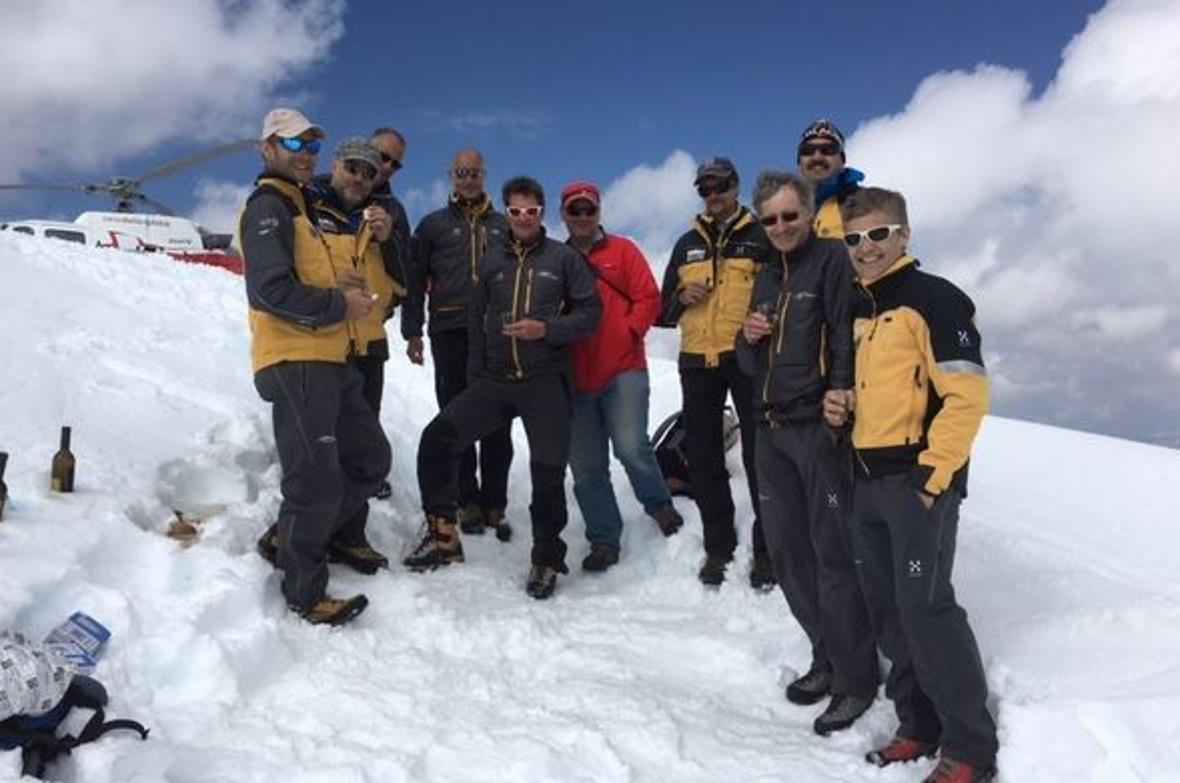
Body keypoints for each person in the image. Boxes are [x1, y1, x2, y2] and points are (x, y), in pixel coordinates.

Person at [830, 187, 997, 782]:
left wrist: (932, 478)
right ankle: (919, 726)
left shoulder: (935, 299)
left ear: (904, 234)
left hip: (916, 484)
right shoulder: (862, 306)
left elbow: (968, 395)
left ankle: (971, 750)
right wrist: (844, 408)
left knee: (926, 611)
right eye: (854, 239)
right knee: (889, 612)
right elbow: (885, 393)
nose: (866, 248)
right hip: (866, 480)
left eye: (878, 234)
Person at [405, 176, 602, 599]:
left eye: (531, 211)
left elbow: (590, 314)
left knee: (547, 474)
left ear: (542, 213)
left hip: (544, 380)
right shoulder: (492, 262)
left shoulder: (565, 259)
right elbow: (477, 323)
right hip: (495, 379)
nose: (524, 218)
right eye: (516, 211)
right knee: (436, 440)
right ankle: (443, 538)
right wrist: (476, 376)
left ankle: (547, 560)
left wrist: (545, 329)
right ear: (507, 214)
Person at [736, 171, 878, 735]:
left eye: (790, 215)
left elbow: (845, 332)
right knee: (790, 553)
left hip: (817, 428)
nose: (780, 226)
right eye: (770, 219)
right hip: (769, 430)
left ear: (807, 214)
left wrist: (840, 395)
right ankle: (826, 655)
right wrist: (747, 339)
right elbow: (748, 369)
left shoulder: (830, 262)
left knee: (832, 555)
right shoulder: (767, 276)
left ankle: (856, 677)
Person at [241, 108, 390, 626]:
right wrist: (337, 305)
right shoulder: (268, 206)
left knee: (371, 459)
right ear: (267, 149)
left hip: (334, 359)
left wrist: (350, 293)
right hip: (294, 357)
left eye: (311, 147)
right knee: (315, 481)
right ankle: (306, 592)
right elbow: (269, 289)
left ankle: (293, 533)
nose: (307, 156)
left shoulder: (306, 210)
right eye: (294, 145)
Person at [659, 157, 772, 588]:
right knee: (704, 459)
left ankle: (768, 552)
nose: (713, 195)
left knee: (760, 457)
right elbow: (662, 310)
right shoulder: (686, 242)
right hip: (696, 361)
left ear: (736, 185)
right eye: (704, 189)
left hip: (746, 357)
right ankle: (718, 548)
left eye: (720, 185)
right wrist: (681, 296)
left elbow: (780, 293)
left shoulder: (761, 235)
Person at [560, 180, 684, 573]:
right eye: (574, 210)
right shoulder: (555, 258)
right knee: (585, 466)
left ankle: (659, 505)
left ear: (599, 212)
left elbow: (649, 297)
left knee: (631, 447)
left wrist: (627, 331)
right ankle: (603, 539)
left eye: (588, 210)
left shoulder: (623, 250)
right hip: (576, 377)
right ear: (564, 214)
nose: (582, 217)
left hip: (623, 368)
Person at [298, 136, 406, 572]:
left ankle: (347, 535)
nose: (361, 177)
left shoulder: (387, 212)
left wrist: (389, 240)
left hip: (368, 346)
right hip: (322, 344)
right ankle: (299, 536)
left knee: (363, 451)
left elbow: (406, 275)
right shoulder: (308, 200)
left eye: (370, 171)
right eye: (353, 168)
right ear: (336, 165)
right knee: (322, 450)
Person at [404, 149, 514, 539]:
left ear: (485, 175)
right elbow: (415, 281)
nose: (468, 179)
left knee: (499, 416)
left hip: (496, 333)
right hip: (449, 328)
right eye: (461, 172)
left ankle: (495, 503)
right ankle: (467, 501)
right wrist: (412, 330)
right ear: (452, 175)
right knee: (456, 415)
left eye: (475, 173)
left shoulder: (505, 225)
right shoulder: (432, 225)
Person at [365, 129, 413, 497]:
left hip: (370, 329)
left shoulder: (395, 211)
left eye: (396, 163)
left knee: (367, 409)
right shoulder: (323, 191)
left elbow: (406, 273)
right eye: (383, 156)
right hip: (323, 327)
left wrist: (389, 237)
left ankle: (367, 475)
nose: (388, 167)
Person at [796, 119, 864, 240]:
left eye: (828, 150)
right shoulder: (782, 213)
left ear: (842, 161)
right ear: (799, 162)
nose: (817, 157)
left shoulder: (867, 204)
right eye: (808, 151)